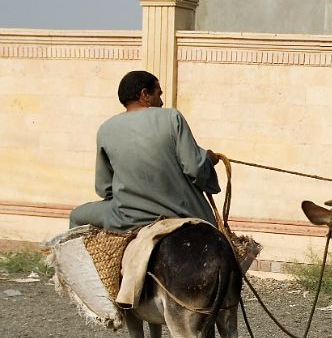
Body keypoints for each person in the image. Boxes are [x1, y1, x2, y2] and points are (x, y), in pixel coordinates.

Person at [69, 70, 221, 232]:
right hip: (183, 214)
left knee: (77, 216)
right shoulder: (172, 117)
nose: (161, 102)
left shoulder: (106, 129)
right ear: (145, 95)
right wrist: (209, 160)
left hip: (128, 218)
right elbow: (194, 168)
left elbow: (104, 187)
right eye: (158, 94)